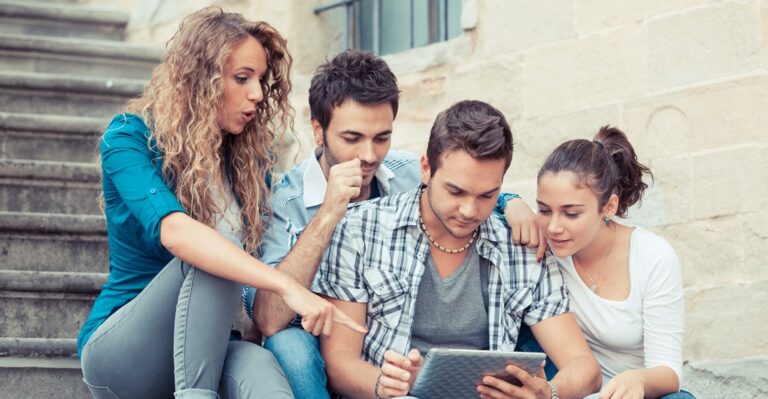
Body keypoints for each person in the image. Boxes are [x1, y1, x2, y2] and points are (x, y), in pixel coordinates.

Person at [77, 8, 363, 399]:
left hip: (211, 347)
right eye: (242, 78)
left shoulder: (247, 165)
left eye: (261, 80)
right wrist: (287, 286)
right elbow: (178, 234)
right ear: (200, 79)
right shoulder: (128, 139)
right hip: (124, 355)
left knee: (263, 372)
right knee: (212, 255)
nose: (258, 94)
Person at [242, 51, 546, 399]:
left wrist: (510, 202)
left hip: (396, 339)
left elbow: (463, 186)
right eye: (352, 138)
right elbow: (268, 319)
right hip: (319, 342)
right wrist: (327, 214)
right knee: (290, 345)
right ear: (318, 131)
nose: (370, 155)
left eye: (382, 138)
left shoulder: (404, 170)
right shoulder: (286, 200)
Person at [313, 100, 602, 399]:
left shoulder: (521, 248)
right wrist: (386, 385)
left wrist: (549, 392)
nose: (469, 210)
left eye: (487, 195)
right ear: (426, 169)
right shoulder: (361, 229)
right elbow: (339, 364)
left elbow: (584, 367)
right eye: (456, 191)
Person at [535, 126, 693, 399]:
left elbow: (669, 371)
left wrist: (638, 380)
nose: (553, 227)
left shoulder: (653, 255)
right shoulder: (543, 247)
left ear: (608, 207)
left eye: (571, 213)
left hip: (636, 393)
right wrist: (511, 203)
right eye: (544, 210)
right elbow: (487, 205)